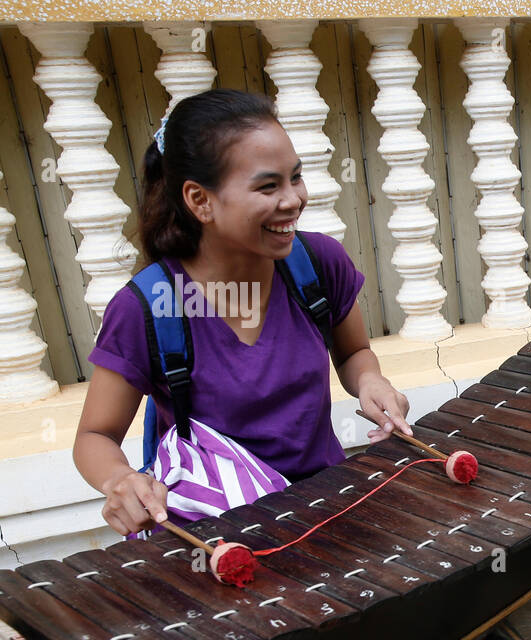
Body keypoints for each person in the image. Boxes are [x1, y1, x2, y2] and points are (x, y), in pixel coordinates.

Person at [73, 89, 412, 537]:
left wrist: (371, 382)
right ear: (200, 200)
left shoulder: (317, 264)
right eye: (268, 186)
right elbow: (94, 436)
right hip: (221, 535)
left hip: (328, 510)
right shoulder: (148, 308)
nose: (292, 200)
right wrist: (120, 481)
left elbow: (353, 354)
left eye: (296, 178)